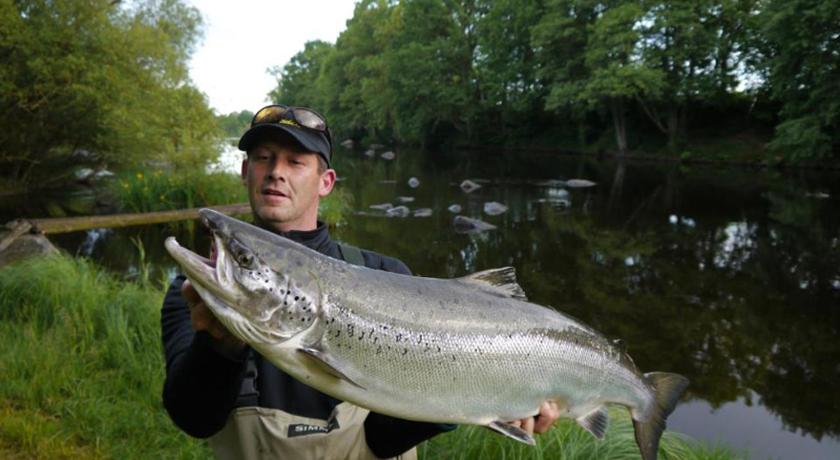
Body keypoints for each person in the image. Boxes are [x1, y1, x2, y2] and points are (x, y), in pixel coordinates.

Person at [161, 104, 561, 459]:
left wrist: (478, 400)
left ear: (326, 182)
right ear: (245, 171)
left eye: (295, 161)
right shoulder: (194, 293)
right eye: (263, 158)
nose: (276, 172)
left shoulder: (387, 275)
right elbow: (195, 420)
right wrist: (218, 347)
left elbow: (384, 441)